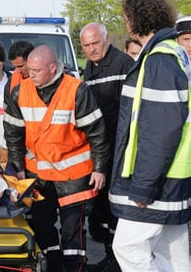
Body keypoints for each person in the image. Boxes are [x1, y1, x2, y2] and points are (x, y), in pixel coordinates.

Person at [3, 45, 109, 271]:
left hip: (73, 176)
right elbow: (13, 133)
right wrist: (17, 165)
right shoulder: (20, 91)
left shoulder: (77, 90)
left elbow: (97, 132)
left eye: (36, 70)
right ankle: (52, 265)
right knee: (41, 225)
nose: (30, 75)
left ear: (53, 68)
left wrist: (99, 168)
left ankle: (73, 268)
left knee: (72, 232)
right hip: (38, 174)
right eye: (28, 70)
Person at [109, 0, 191, 271]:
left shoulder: (158, 59)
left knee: (128, 247)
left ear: (133, 17)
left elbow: (160, 130)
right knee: (173, 255)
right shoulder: (174, 53)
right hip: (173, 176)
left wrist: (143, 188)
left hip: (156, 181)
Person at [79, 22, 134, 272]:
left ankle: (117, 261)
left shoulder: (124, 64)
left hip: (118, 148)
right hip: (98, 149)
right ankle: (108, 255)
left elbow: (130, 112)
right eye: (86, 45)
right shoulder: (89, 67)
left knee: (115, 208)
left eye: (95, 43)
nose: (91, 49)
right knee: (100, 207)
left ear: (107, 39)